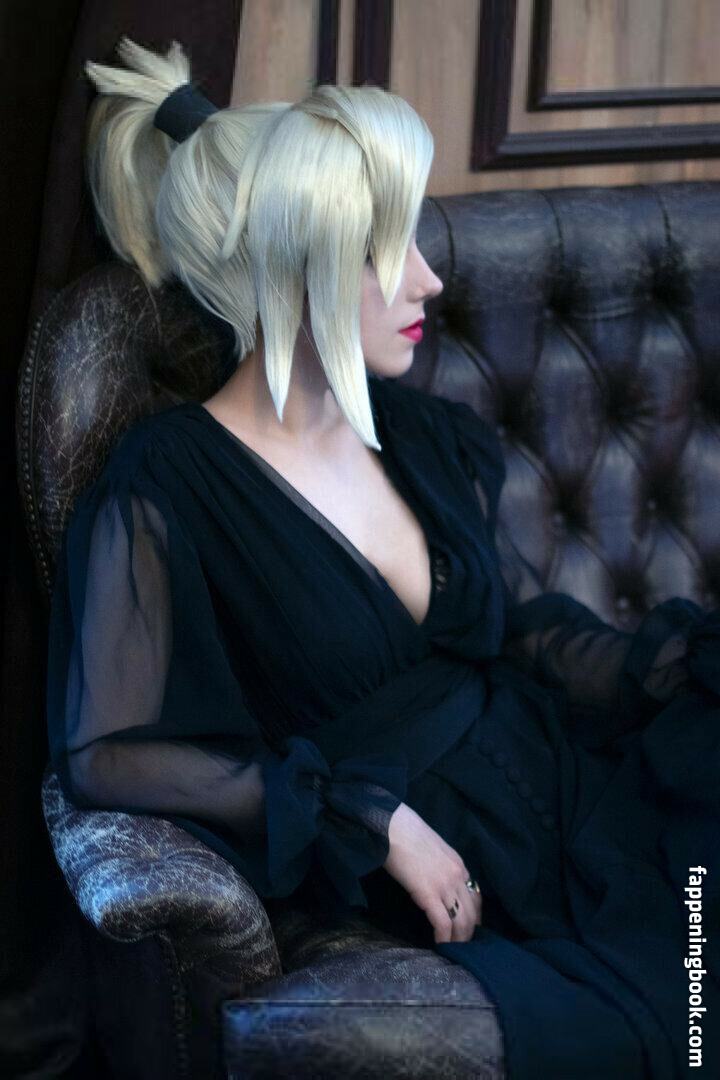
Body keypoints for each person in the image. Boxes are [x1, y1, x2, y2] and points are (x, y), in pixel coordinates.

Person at [46, 37, 718, 1080]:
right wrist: (369, 817)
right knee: (686, 1012)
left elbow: (515, 632)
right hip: (455, 866)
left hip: (567, 789)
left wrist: (667, 667)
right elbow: (107, 753)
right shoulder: (169, 482)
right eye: (387, 250)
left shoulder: (410, 431)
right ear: (299, 262)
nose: (430, 278)